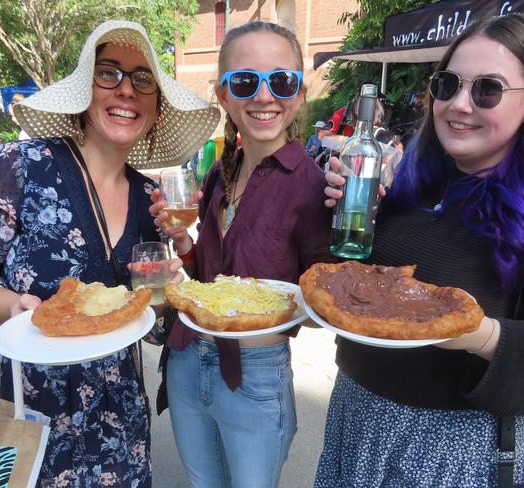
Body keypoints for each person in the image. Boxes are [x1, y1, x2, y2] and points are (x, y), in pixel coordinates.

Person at [0, 20, 219, 487]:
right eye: (109, 73)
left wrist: (165, 292)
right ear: (84, 93)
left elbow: (148, 325)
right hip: (17, 423)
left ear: (156, 110)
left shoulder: (150, 200)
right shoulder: (21, 167)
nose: (126, 90)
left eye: (142, 80)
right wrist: (11, 307)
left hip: (114, 437)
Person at [318, 14, 524, 487]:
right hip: (355, 419)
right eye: (448, 84)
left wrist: (479, 336)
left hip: (451, 451)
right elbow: (362, 294)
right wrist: (351, 220)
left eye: (488, 90)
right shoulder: (416, 184)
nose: (460, 105)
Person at [150, 21, 333, 487]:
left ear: (299, 91)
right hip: (188, 356)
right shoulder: (220, 169)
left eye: (282, 80)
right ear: (224, 95)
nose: (265, 96)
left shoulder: (314, 186)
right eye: (246, 81)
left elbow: (322, 307)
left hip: (254, 372)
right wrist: (184, 241)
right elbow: (209, 277)